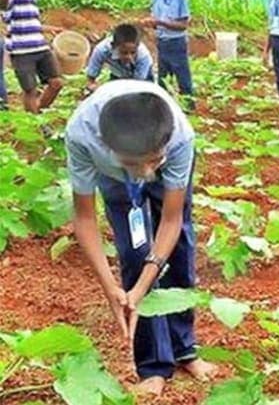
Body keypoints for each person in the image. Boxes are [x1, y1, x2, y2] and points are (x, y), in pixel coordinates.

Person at [66, 80, 215, 396]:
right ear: (106, 146)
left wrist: (144, 287)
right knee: (134, 254)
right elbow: (84, 217)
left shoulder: (178, 139)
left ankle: (184, 349)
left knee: (180, 251)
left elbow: (172, 221)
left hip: (165, 164)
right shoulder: (82, 136)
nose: (146, 173)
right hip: (115, 179)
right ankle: (152, 366)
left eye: (154, 160)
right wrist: (111, 287)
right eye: (135, 163)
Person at [0, 0, 64, 114]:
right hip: (22, 52)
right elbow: (1, 5)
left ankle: (38, 112)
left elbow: (30, 22)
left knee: (56, 83)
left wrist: (49, 29)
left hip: (40, 47)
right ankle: (36, 123)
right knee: (30, 90)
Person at [141, 0, 194, 110]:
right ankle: (164, 108)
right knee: (162, 78)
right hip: (162, 42)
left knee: (182, 76)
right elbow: (157, 23)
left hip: (177, 42)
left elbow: (183, 25)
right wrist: (150, 23)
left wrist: (159, 22)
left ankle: (189, 107)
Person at [86, 23, 154, 93]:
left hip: (141, 78)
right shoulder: (101, 51)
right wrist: (95, 87)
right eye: (124, 53)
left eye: (133, 53)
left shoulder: (143, 57)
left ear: (138, 47)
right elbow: (91, 79)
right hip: (118, 73)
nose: (129, 57)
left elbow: (136, 86)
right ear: (114, 46)